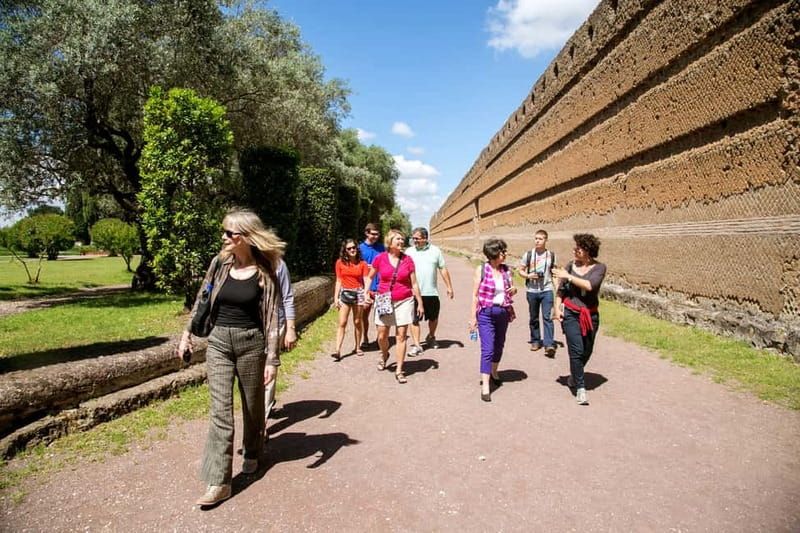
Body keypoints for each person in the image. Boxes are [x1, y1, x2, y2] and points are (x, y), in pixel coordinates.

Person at [177, 209, 283, 507]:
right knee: (220, 411)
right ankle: (219, 482)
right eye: (223, 231)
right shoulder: (219, 263)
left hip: (251, 344)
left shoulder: (265, 273)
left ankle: (252, 450)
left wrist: (272, 360)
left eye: (229, 233)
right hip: (219, 342)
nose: (223, 237)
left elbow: (272, 320)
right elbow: (202, 298)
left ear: (246, 237)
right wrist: (186, 333)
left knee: (252, 406)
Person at [553, 233, 607, 406]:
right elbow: (561, 290)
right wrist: (557, 308)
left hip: (590, 315)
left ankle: (574, 375)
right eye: (575, 247)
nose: (574, 250)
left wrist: (568, 276)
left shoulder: (599, 268)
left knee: (586, 351)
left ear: (588, 251)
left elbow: (590, 285)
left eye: (578, 248)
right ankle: (580, 388)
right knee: (576, 350)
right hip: (571, 313)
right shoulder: (570, 266)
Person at [364, 229, 424, 384]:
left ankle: (399, 369)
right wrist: (365, 293)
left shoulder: (408, 260)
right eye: (398, 239)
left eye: (402, 239)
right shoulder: (380, 258)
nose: (401, 241)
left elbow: (414, 283)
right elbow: (370, 277)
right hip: (384, 299)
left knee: (401, 335)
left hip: (404, 300)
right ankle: (384, 354)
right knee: (382, 335)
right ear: (390, 242)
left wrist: (420, 303)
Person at [468, 238, 517, 402]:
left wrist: (514, 290)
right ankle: (485, 386)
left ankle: (494, 371)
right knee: (487, 349)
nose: (505, 254)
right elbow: (475, 295)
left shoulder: (507, 270)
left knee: (499, 345)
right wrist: (472, 318)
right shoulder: (482, 269)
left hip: (503, 312)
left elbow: (511, 290)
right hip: (485, 313)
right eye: (503, 251)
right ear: (495, 253)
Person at [406, 227, 454, 355]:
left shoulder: (435, 251)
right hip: (413, 292)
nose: (414, 240)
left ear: (425, 238)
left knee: (433, 318)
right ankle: (417, 345)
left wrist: (449, 287)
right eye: (413, 238)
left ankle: (431, 336)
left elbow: (442, 268)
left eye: (417, 238)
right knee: (414, 319)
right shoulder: (409, 252)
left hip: (431, 292)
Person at [264, 257, 296, 424]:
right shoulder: (245, 261)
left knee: (269, 367)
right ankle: (262, 406)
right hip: (252, 325)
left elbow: (287, 297)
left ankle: (261, 424)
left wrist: (291, 329)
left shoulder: (278, 265)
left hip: (276, 323)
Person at [517, 229, 557, 357]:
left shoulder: (551, 255)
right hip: (532, 290)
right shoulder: (528, 254)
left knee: (547, 317)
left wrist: (557, 289)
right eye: (536, 238)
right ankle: (535, 341)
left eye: (540, 239)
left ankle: (549, 344)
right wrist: (529, 276)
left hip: (547, 289)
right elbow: (520, 270)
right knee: (534, 317)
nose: (537, 241)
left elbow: (554, 273)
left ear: (546, 240)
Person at [333, 238, 369, 360]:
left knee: (357, 321)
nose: (352, 250)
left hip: (358, 293)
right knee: (342, 322)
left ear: (357, 248)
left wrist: (366, 295)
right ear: (345, 250)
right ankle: (337, 350)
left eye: (354, 247)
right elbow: (338, 280)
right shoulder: (339, 263)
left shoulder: (362, 264)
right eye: (349, 248)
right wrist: (336, 297)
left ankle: (357, 347)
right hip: (345, 293)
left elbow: (366, 280)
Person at [358, 223, 385, 349]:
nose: (375, 236)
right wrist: (365, 267)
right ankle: (365, 338)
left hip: (381, 287)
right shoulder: (359, 249)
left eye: (377, 234)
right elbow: (354, 266)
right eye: (373, 234)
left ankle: (381, 339)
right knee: (364, 315)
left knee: (382, 315)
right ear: (366, 233)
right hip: (366, 288)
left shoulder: (382, 248)